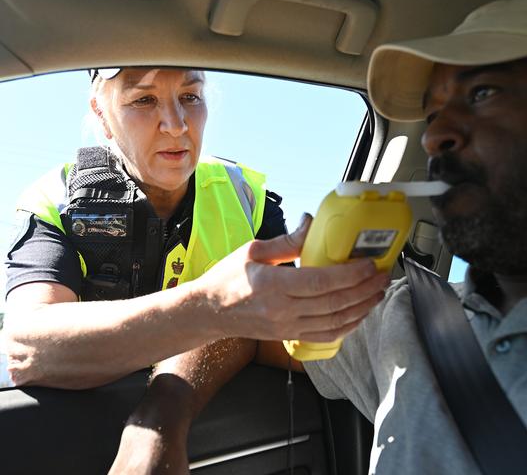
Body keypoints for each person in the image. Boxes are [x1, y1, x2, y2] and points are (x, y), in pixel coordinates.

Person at [257, 0, 527, 474]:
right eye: (433, 113)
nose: (433, 135)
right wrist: (164, 410)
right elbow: (250, 325)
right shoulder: (408, 316)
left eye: (483, 93)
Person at [2, 67, 390, 473]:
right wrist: (211, 306)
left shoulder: (247, 197)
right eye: (144, 100)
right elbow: (29, 349)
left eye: (190, 96)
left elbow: (283, 339)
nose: (176, 125)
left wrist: (163, 413)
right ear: (100, 113)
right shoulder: (53, 200)